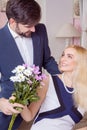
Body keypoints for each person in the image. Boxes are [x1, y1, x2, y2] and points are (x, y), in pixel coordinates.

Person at [0, 0, 59, 130]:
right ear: (12, 21)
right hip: (10, 108)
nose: (33, 29)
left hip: (39, 103)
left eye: (35, 24)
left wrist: (66, 77)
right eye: (28, 26)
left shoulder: (41, 29)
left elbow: (47, 60)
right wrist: (0, 103)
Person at [20, 45, 87, 130]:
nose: (63, 59)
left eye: (69, 56)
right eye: (63, 55)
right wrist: (20, 102)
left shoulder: (84, 90)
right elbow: (28, 116)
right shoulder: (47, 81)